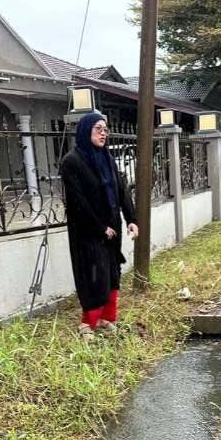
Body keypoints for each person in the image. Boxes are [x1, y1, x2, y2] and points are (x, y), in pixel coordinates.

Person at [59, 112, 139, 339]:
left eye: (105, 129)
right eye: (98, 129)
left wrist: (131, 219)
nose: (103, 133)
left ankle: (106, 318)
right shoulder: (72, 162)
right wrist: (100, 228)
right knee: (94, 274)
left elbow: (121, 190)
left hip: (112, 228)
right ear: (86, 131)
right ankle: (87, 324)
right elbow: (77, 201)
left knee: (112, 272)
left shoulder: (107, 158)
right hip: (88, 231)